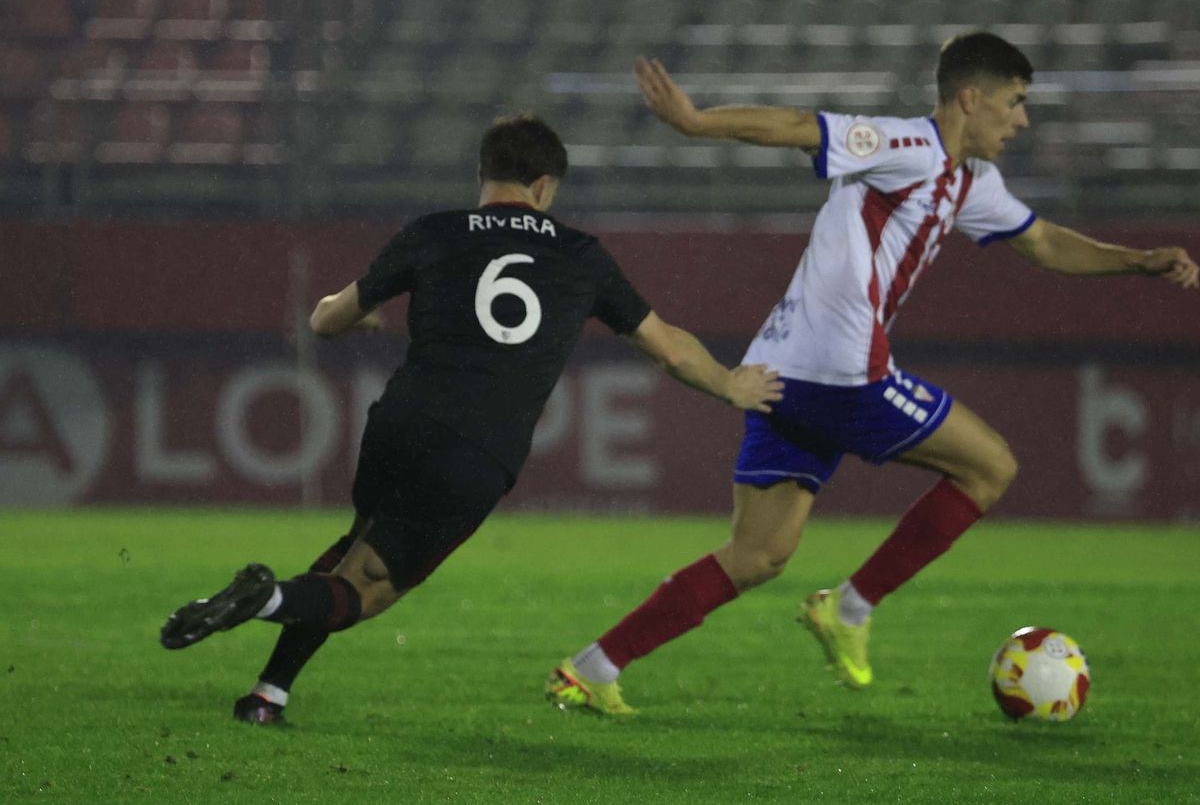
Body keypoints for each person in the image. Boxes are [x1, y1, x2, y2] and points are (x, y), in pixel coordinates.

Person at [546, 33, 1200, 716]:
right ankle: (849, 607)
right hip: (842, 368)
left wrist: (1136, 260)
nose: (1022, 120)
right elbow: (803, 128)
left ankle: (590, 667)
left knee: (759, 554)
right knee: (990, 468)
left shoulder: (971, 182)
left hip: (785, 369)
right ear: (969, 98)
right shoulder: (904, 146)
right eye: (1015, 102)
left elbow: (1041, 241)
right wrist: (696, 120)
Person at [160, 113, 783, 724]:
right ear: (544, 187)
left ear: (482, 173)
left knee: (357, 550)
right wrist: (731, 385)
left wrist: (360, 317)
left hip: (399, 420)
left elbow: (325, 320)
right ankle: (265, 598)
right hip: (477, 449)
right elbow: (670, 348)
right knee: (369, 587)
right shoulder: (580, 255)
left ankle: (269, 694)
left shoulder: (434, 231)